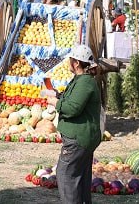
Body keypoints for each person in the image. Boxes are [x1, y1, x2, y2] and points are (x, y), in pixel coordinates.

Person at [41, 44, 102, 204]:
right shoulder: (81, 80)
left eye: (70, 60)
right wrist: (56, 94)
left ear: (76, 63)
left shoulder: (85, 82)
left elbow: (72, 108)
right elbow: (73, 98)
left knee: (65, 175)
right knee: (80, 177)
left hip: (78, 140)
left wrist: (55, 103)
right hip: (82, 138)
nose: (68, 62)